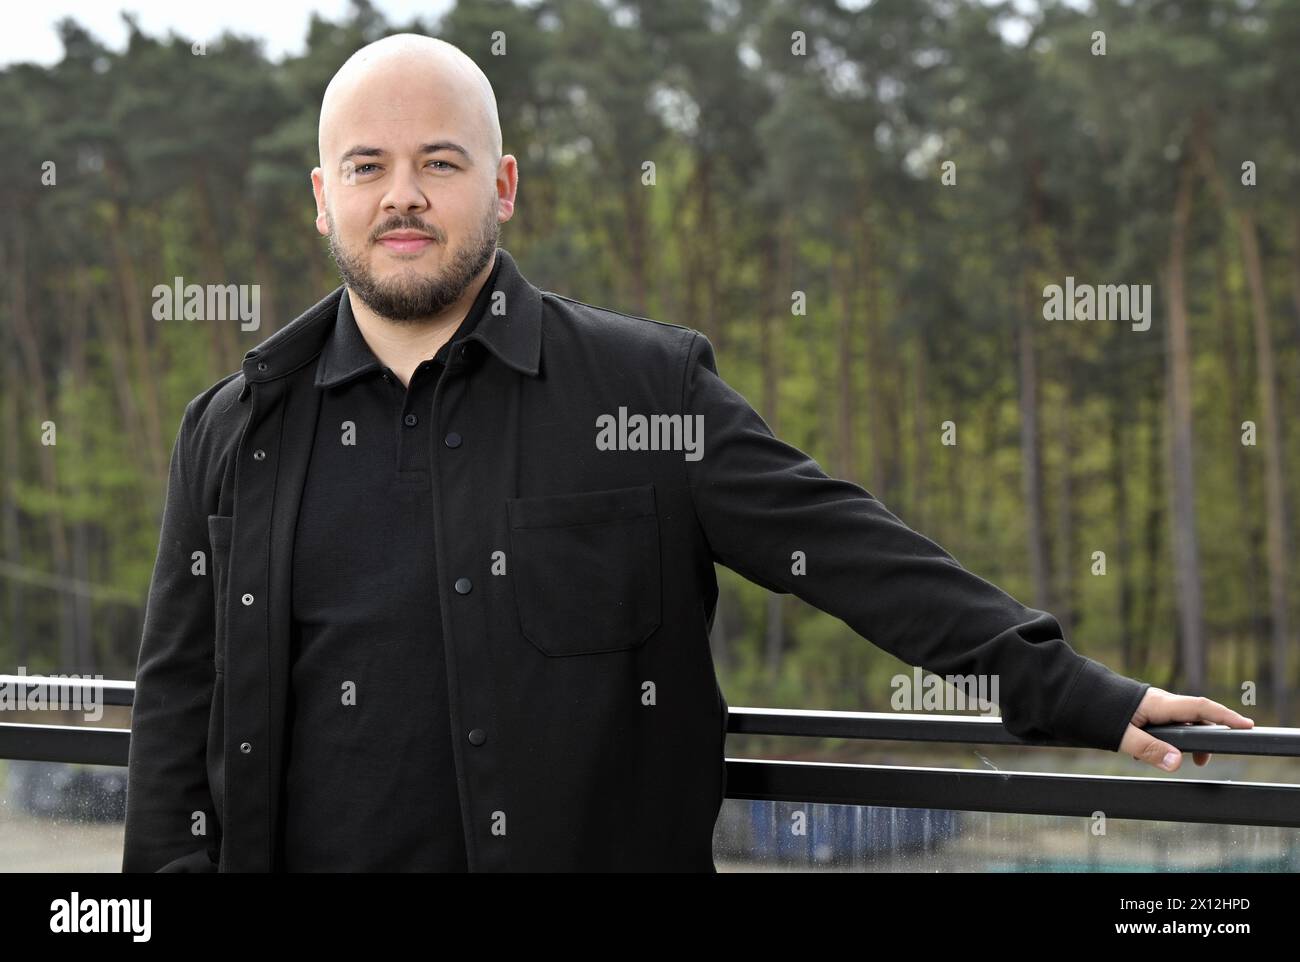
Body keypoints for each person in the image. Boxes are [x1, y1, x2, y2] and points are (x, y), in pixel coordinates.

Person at [122, 33, 1253, 873]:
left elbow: (842, 546)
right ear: (325, 199)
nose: (403, 195)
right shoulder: (236, 429)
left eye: (441, 163)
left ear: (502, 184)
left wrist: (1066, 685)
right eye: (367, 166)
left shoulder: (641, 391)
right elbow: (178, 708)